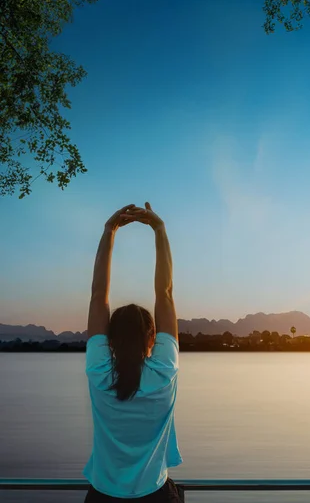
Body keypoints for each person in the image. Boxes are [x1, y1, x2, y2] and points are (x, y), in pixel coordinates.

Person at [83, 202, 183, 502]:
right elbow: (164, 293)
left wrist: (109, 231)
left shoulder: (99, 370)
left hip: (104, 495)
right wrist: (159, 230)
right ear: (152, 338)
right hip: (155, 494)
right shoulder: (164, 370)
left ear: (109, 339)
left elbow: (98, 295)